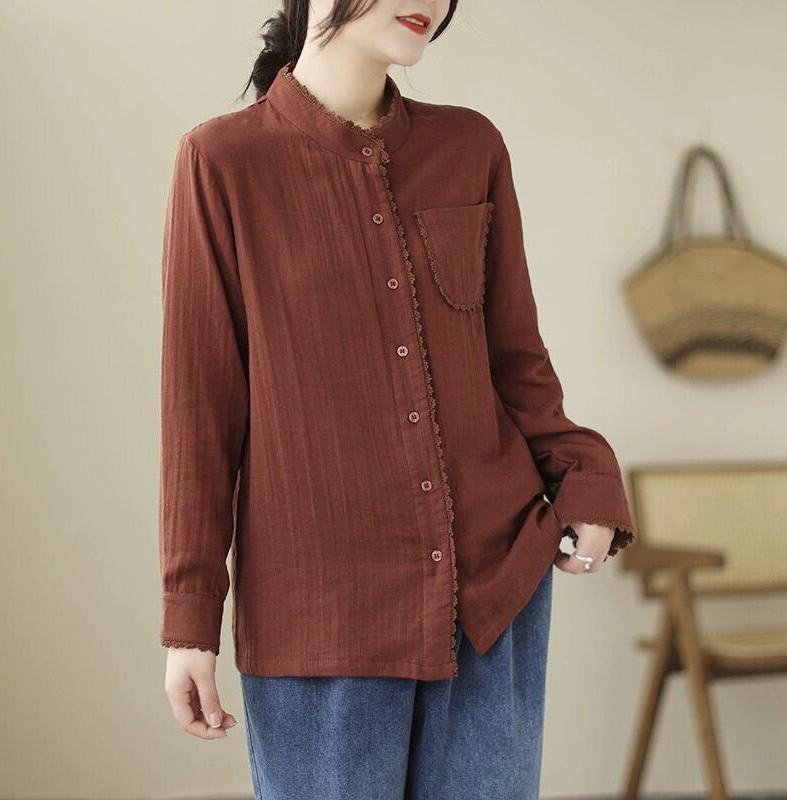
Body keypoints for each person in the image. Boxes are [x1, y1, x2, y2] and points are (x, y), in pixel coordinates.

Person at [158, 1, 637, 797]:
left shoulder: (471, 147)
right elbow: (199, 414)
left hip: (492, 596)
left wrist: (584, 476)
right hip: (323, 615)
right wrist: (190, 620)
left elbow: (516, 360)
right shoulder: (223, 162)